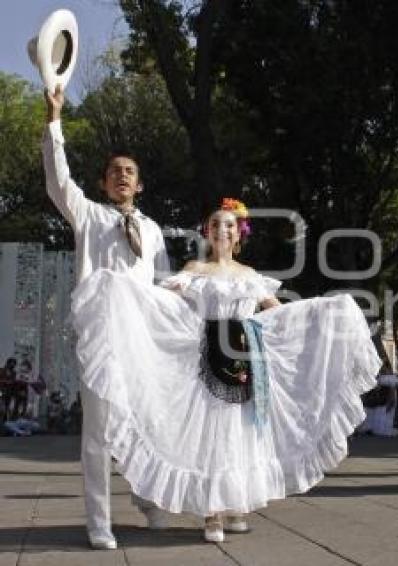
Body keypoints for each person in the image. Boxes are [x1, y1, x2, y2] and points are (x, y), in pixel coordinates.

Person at [70, 198, 381, 542]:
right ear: (208, 232)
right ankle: (212, 513)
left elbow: (278, 312)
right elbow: (163, 300)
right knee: (212, 437)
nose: (222, 229)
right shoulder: (194, 269)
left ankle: (235, 506)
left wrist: (323, 311)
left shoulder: (249, 275)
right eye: (216, 224)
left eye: (229, 225)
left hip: (246, 359)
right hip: (206, 358)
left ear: (239, 234)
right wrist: (125, 292)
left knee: (240, 436)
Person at [43, 85, 171, 549]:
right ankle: (100, 521)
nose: (122, 175)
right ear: (103, 183)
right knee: (98, 431)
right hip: (100, 337)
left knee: (144, 423)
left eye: (130, 171)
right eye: (114, 171)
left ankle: (147, 496)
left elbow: (164, 285)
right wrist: (54, 120)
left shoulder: (153, 230)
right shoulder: (90, 216)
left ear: (139, 185)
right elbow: (58, 182)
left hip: (142, 339)